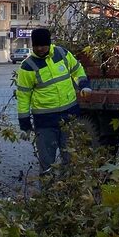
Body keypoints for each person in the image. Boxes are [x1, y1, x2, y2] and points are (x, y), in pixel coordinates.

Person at [16, 27, 91, 171]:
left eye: (43, 45)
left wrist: (83, 84)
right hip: (45, 122)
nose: (39, 49)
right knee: (47, 164)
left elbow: (77, 70)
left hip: (69, 116)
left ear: (49, 43)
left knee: (72, 159)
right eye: (36, 45)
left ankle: (70, 190)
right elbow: (23, 97)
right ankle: (48, 192)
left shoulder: (62, 54)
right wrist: (25, 125)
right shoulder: (27, 66)